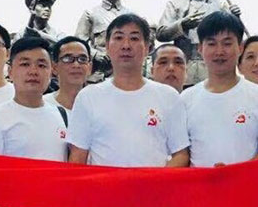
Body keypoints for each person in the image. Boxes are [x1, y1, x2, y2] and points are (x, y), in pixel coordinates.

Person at [68, 13, 190, 167]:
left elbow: (181, 155)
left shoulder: (168, 96)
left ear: (147, 48)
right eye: (119, 38)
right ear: (107, 46)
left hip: (154, 182)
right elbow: (77, 157)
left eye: (134, 38)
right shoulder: (88, 97)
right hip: (105, 183)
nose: (126, 45)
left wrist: (153, 180)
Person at [181, 12, 258, 167]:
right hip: (199, 182)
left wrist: (232, 175)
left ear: (240, 47)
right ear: (200, 48)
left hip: (245, 182)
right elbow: (182, 153)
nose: (219, 51)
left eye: (227, 43)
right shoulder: (186, 99)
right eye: (211, 44)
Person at [0, 37, 69, 161]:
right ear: (10, 72)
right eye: (25, 64)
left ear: (51, 72)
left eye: (41, 65)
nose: (33, 71)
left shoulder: (61, 115)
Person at [156, 0, 242, 86]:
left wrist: (235, 19)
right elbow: (161, 34)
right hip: (183, 70)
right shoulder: (175, 4)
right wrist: (182, 25)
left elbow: (234, 38)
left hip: (212, 70)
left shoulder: (220, 6)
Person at [75, 0, 131, 82]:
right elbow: (78, 44)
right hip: (99, 74)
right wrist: (95, 54)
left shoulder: (131, 16)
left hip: (125, 73)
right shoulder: (91, 14)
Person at [45, 35, 91, 121]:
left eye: (82, 59)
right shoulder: (43, 106)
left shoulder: (100, 107)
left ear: (90, 67)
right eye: (68, 59)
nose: (76, 65)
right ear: (54, 67)